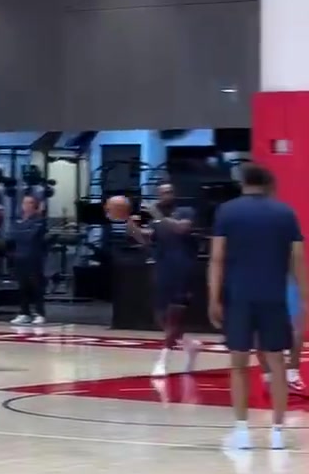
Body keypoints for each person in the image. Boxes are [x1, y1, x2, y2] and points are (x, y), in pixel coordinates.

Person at [208, 163, 306, 452]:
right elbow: (298, 258)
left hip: (239, 297)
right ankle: (277, 433)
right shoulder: (286, 213)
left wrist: (213, 297)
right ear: (269, 185)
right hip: (273, 296)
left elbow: (217, 258)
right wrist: (304, 297)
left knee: (239, 365)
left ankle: (242, 432)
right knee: (278, 364)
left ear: (244, 183)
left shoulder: (227, 212)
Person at [129, 183, 200, 378]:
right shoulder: (156, 220)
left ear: (174, 193)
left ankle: (163, 360)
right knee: (160, 316)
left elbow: (181, 229)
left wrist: (157, 216)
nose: (165, 195)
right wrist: (130, 224)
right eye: (162, 193)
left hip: (183, 269)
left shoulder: (185, 211)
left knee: (174, 315)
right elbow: (145, 239)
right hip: (162, 269)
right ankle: (189, 344)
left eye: (168, 192)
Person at [9, 194, 47, 327]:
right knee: (22, 286)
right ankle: (24, 313)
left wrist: (22, 232)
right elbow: (13, 235)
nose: (26, 205)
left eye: (30, 203)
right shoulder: (18, 221)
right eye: (24, 203)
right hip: (19, 257)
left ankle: (39, 313)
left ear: (35, 205)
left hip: (33, 257)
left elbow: (30, 236)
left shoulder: (39, 220)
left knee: (36, 285)